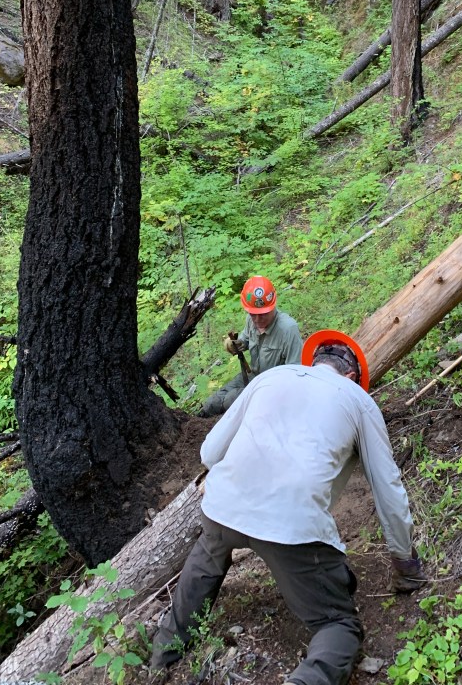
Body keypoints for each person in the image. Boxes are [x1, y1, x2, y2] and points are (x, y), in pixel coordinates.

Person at [152, 329, 426, 685]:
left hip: (222, 505)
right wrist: (404, 561)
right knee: (338, 624)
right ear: (352, 375)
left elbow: (209, 453)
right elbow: (387, 487)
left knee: (210, 551)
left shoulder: (271, 377)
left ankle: (163, 651)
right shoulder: (358, 400)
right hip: (293, 525)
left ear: (312, 362)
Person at [200, 275, 303, 416]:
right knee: (212, 403)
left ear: (272, 306)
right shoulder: (251, 320)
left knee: (231, 400)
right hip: (253, 376)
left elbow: (296, 373)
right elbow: (245, 340)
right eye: (253, 314)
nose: (257, 319)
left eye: (263, 314)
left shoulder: (288, 329)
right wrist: (234, 344)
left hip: (273, 387)